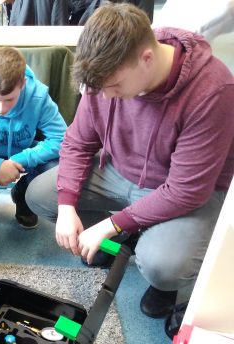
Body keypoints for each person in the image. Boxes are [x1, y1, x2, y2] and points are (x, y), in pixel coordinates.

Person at [25, 4, 234, 322]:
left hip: (184, 190)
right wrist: (67, 206)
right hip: (118, 171)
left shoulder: (213, 91)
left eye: (116, 87)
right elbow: (78, 142)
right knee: (40, 194)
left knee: (164, 266)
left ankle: (157, 272)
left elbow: (185, 191)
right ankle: (127, 233)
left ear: (147, 59)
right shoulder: (105, 75)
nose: (106, 97)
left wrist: (110, 224)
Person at [0, 46, 67, 229]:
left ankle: (24, 194)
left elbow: (62, 139)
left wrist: (18, 159)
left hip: (21, 153)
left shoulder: (38, 96)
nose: (1, 109)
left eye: (9, 99)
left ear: (22, 84)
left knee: (58, 164)